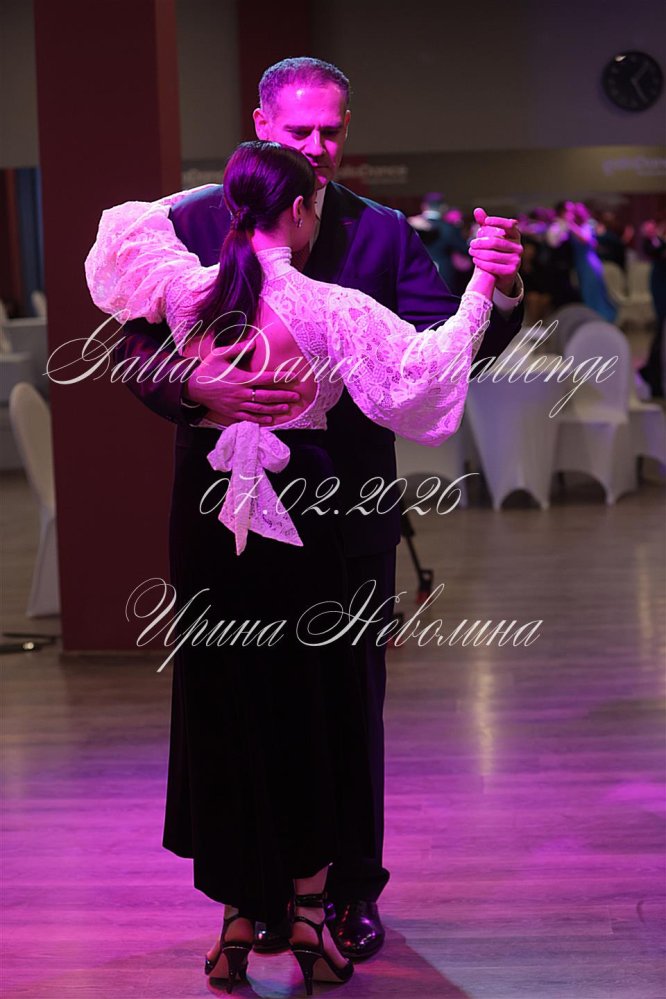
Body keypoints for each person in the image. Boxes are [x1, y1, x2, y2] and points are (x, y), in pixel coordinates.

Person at [107, 56, 524, 960]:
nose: (318, 146)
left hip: (349, 508)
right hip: (225, 512)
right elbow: (131, 349)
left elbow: (437, 352)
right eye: (299, 130)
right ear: (262, 122)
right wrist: (195, 386)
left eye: (331, 130)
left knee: (346, 706)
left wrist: (497, 287)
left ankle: (348, 892)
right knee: (230, 698)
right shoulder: (189, 223)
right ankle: (255, 894)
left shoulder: (382, 231)